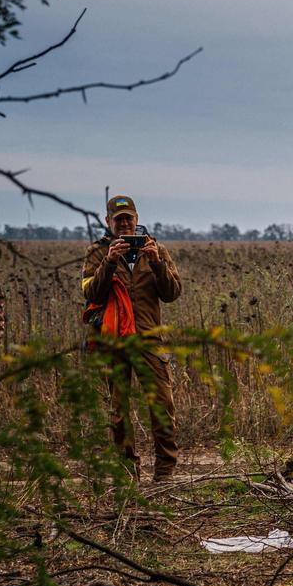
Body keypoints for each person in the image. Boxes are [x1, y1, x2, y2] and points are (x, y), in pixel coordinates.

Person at [82, 195, 183, 480]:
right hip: (113, 342)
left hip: (150, 340)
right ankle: (128, 473)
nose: (124, 223)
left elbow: (172, 293)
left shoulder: (156, 249)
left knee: (161, 407)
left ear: (137, 219)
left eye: (129, 218)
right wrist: (110, 263)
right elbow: (91, 294)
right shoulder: (97, 253)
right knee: (118, 413)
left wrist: (157, 263)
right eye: (118, 219)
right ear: (108, 222)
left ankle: (164, 474)